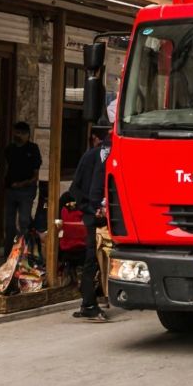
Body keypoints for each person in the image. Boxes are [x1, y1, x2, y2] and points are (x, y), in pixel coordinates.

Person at [70, 127, 110, 322]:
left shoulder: (113, 158)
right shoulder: (91, 158)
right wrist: (90, 208)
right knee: (91, 258)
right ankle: (88, 303)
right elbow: (75, 188)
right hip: (93, 216)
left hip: (111, 217)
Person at [1, 121, 42, 250]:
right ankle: (8, 251)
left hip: (26, 189)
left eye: (21, 133)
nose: (17, 135)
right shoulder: (9, 149)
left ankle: (25, 251)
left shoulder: (33, 149)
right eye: (16, 132)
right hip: (11, 189)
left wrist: (23, 184)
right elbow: (5, 167)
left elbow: (35, 174)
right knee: (9, 222)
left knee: (24, 220)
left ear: (27, 135)